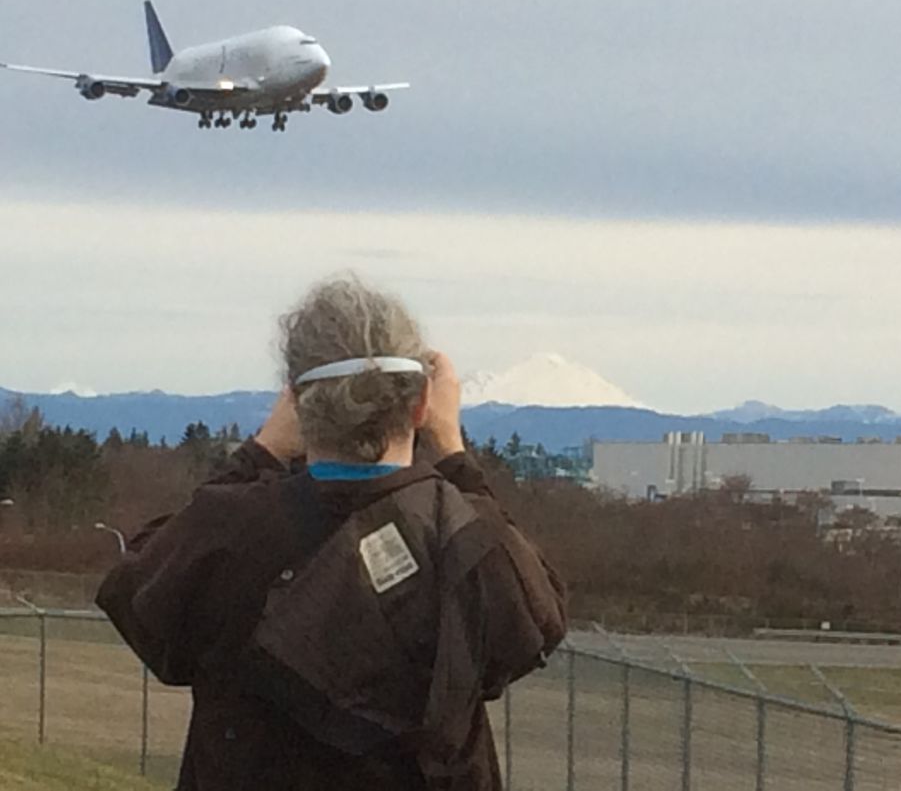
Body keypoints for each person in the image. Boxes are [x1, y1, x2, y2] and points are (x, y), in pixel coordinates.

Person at [96, 276, 568, 791]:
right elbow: (536, 621)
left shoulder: (231, 530)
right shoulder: (465, 538)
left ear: (299, 404)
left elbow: (139, 595)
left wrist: (257, 455)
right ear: (419, 405)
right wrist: (454, 455)